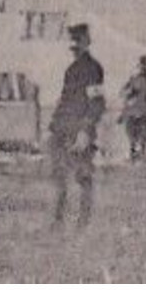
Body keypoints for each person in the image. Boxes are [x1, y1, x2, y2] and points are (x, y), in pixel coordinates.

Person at [47, 23, 105, 228]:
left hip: (78, 130)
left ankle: (83, 223)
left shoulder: (93, 69)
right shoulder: (71, 69)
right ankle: (57, 221)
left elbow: (97, 103)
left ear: (86, 42)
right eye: (72, 42)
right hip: (63, 129)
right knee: (59, 176)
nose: (74, 46)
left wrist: (85, 131)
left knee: (83, 177)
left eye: (78, 41)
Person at [118, 56, 146, 162]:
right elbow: (122, 93)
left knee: (143, 137)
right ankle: (133, 155)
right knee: (132, 137)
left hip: (145, 113)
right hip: (132, 113)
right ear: (137, 66)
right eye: (140, 66)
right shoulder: (132, 80)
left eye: (144, 66)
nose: (142, 68)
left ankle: (141, 155)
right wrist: (129, 92)